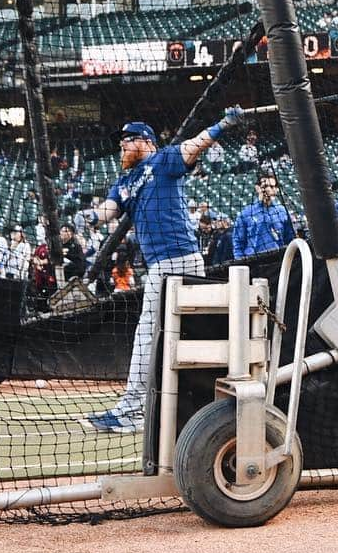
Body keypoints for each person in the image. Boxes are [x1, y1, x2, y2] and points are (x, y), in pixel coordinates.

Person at [85, 109, 241, 433]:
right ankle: (159, 408)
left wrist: (222, 124)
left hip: (181, 259)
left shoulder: (163, 161)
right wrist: (88, 217)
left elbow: (193, 147)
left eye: (125, 142)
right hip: (161, 265)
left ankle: (133, 412)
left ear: (144, 142)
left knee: (161, 335)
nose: (120, 149)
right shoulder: (125, 182)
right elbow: (107, 211)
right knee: (168, 335)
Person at [232, 173, 295, 259]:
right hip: (254, 262)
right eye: (265, 186)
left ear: (276, 189)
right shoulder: (246, 213)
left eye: (272, 187)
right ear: (257, 188)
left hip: (278, 260)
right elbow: (238, 243)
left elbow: (289, 239)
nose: (268, 189)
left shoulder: (282, 211)